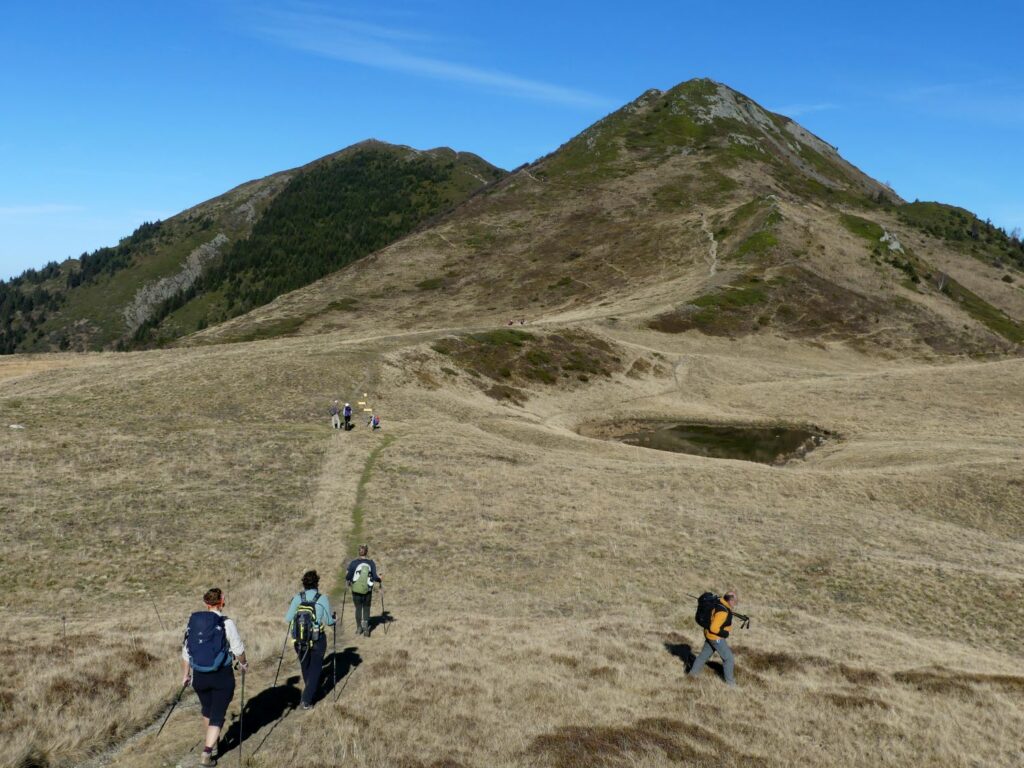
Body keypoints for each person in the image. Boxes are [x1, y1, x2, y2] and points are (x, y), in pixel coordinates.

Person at [181, 588, 248, 766]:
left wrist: (186, 675)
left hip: (199, 676)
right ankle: (207, 752)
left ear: (206, 604)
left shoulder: (194, 623)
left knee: (207, 709)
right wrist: (243, 663)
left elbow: (186, 652)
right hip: (221, 676)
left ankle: (214, 744)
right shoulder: (226, 623)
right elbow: (238, 649)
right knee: (217, 715)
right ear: (222, 601)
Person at [284, 570, 336, 710]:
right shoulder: (322, 598)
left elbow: (288, 619)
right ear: (317, 583)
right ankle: (306, 700)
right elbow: (329, 621)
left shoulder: (297, 597)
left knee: (305, 666)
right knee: (315, 668)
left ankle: (310, 692)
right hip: (317, 638)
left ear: (304, 583)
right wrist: (334, 619)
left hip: (299, 640)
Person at [687, 590, 739, 686]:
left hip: (709, 635)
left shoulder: (720, 602)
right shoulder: (723, 612)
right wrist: (725, 633)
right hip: (715, 637)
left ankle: (691, 676)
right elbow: (714, 628)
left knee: (703, 657)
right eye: (735, 601)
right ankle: (731, 685)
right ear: (730, 601)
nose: (736, 603)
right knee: (728, 659)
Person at [345, 545, 381, 636]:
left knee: (358, 608)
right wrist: (380, 579)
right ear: (367, 552)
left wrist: (347, 577)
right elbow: (375, 576)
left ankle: (358, 628)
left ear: (359, 552)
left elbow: (348, 577)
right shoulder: (371, 563)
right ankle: (365, 626)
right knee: (366, 607)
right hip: (367, 590)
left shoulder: (353, 563)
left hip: (356, 589)